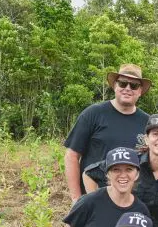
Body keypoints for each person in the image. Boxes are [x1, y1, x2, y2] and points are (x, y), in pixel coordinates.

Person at [64, 64, 151, 202]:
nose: (127, 88)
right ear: (115, 86)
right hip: (93, 198)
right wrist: (76, 199)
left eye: (134, 86)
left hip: (132, 202)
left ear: (140, 91)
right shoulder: (93, 114)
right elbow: (71, 156)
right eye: (123, 83)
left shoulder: (148, 123)